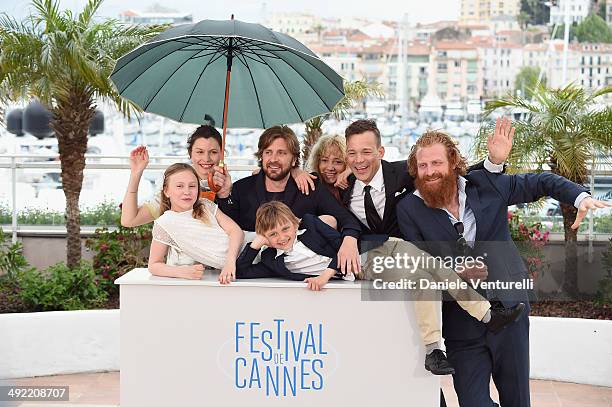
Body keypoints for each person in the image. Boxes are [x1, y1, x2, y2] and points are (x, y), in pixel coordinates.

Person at [397, 129, 610, 407]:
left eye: (436, 163)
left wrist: (580, 197)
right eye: (423, 166)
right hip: (460, 324)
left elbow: (542, 182)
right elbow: (423, 267)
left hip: (511, 310)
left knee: (517, 400)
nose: (429, 172)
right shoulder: (409, 208)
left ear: (452, 162)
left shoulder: (487, 184)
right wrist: (458, 272)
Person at [236, 201, 525, 373]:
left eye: (285, 228)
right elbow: (242, 271)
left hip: (383, 245)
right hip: (367, 267)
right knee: (425, 279)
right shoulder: (274, 260)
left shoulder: (310, 225)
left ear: (293, 221)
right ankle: (435, 349)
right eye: (273, 234)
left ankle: (487, 316)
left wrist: (326, 274)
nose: (282, 236)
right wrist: (256, 243)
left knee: (437, 269)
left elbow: (341, 244)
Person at [217, 125, 362, 276]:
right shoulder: (242, 188)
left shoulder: (310, 187)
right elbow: (228, 228)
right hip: (259, 267)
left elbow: (346, 219)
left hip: (308, 271)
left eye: (281, 153)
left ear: (294, 159)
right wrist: (224, 194)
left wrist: (350, 241)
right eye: (268, 152)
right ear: (261, 156)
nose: (273, 159)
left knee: (329, 220)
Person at [147, 163, 244, 284]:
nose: (187, 191)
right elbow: (154, 265)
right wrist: (182, 272)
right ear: (166, 191)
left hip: (243, 252)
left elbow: (236, 231)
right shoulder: (165, 223)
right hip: (232, 269)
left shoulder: (205, 206)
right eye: (179, 186)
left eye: (192, 186)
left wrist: (230, 262)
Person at [121, 125, 229, 227]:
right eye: (200, 152)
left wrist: (225, 194)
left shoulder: (230, 189)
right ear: (190, 153)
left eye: (213, 152)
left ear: (221, 154)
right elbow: (129, 220)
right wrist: (136, 173)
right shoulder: (174, 188)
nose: (206, 158)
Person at [306, 134, 351, 202]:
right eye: (324, 160)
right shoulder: (310, 188)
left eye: (338, 162)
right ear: (317, 162)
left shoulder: (355, 187)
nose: (330, 168)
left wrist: (352, 170)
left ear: (347, 164)